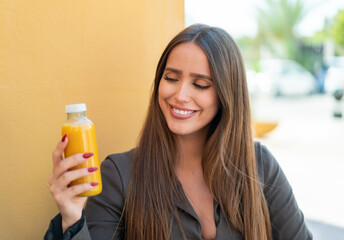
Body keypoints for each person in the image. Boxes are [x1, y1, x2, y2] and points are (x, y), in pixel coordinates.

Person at [44, 24, 313, 240]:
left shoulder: (259, 165)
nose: (180, 95)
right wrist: (72, 218)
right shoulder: (119, 175)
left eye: (200, 84)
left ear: (226, 96)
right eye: (171, 78)